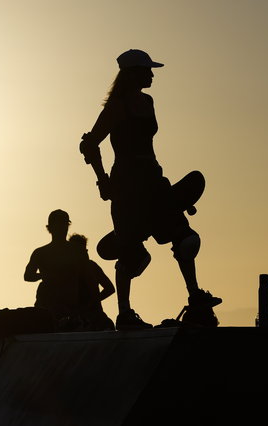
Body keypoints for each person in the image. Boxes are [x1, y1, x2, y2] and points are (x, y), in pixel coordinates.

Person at [79, 49, 221, 330]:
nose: (152, 75)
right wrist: (103, 179)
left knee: (185, 238)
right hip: (127, 186)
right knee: (132, 253)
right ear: (133, 74)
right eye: (147, 70)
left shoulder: (148, 102)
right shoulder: (116, 108)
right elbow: (89, 143)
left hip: (153, 179)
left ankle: (195, 296)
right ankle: (124, 312)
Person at [24, 210, 86, 323]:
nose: (61, 228)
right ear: (50, 228)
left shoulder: (76, 251)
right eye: (59, 225)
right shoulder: (40, 253)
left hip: (72, 308)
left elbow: (86, 277)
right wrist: (45, 275)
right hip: (48, 307)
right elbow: (27, 276)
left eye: (64, 225)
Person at [69, 233, 116, 331]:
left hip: (95, 317)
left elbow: (110, 289)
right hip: (79, 319)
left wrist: (93, 302)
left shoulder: (91, 266)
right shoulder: (69, 270)